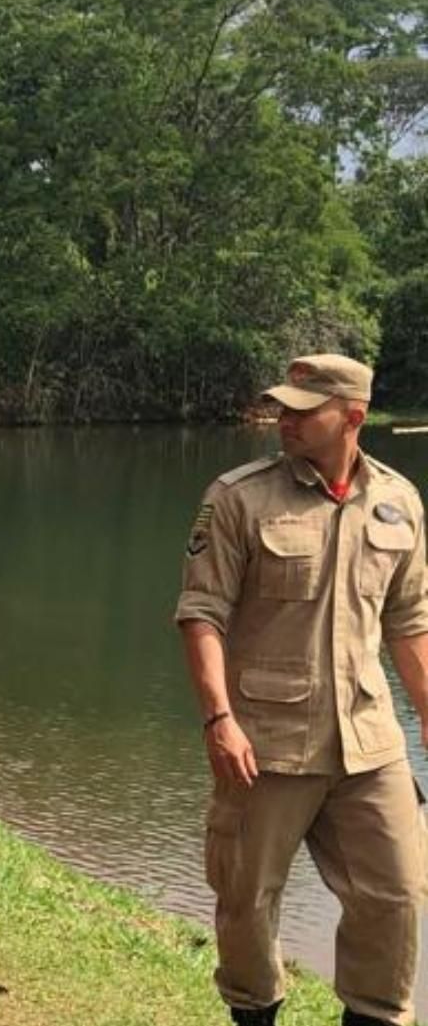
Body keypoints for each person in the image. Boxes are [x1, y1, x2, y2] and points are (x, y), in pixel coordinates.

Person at [176, 354, 428, 1026]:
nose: (283, 419)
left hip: (369, 740)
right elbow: (202, 613)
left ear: (353, 416)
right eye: (280, 407)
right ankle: (256, 1011)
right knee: (246, 900)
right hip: (265, 743)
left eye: (301, 409)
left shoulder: (398, 502)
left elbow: (409, 621)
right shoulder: (239, 497)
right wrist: (218, 719)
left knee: (397, 894)